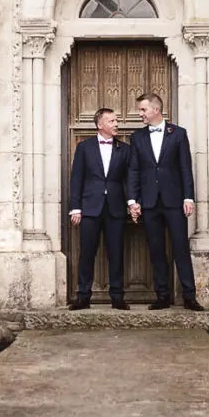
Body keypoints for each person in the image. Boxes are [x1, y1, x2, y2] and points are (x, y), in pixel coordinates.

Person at [125, 92, 204, 311]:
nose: (140, 113)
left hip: (174, 201)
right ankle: (162, 296)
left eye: (143, 110)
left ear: (156, 110)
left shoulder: (178, 134)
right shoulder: (137, 137)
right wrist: (133, 200)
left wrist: (188, 197)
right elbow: (134, 170)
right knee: (156, 249)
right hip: (149, 202)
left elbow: (185, 168)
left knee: (180, 248)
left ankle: (189, 296)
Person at [67, 107, 131, 310]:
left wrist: (132, 202)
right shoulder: (84, 147)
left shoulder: (125, 149)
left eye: (116, 121)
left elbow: (130, 180)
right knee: (87, 252)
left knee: (116, 253)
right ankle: (83, 296)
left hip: (116, 208)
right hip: (89, 208)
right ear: (100, 124)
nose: (116, 124)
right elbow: (76, 179)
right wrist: (75, 208)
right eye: (111, 121)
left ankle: (117, 297)